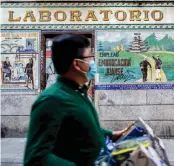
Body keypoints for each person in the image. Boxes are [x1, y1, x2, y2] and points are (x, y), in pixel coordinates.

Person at [24, 34, 126, 166]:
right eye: (89, 58)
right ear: (77, 64)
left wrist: (110, 135)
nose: (93, 62)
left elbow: (78, 129)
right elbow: (36, 159)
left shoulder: (77, 92)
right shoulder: (52, 101)